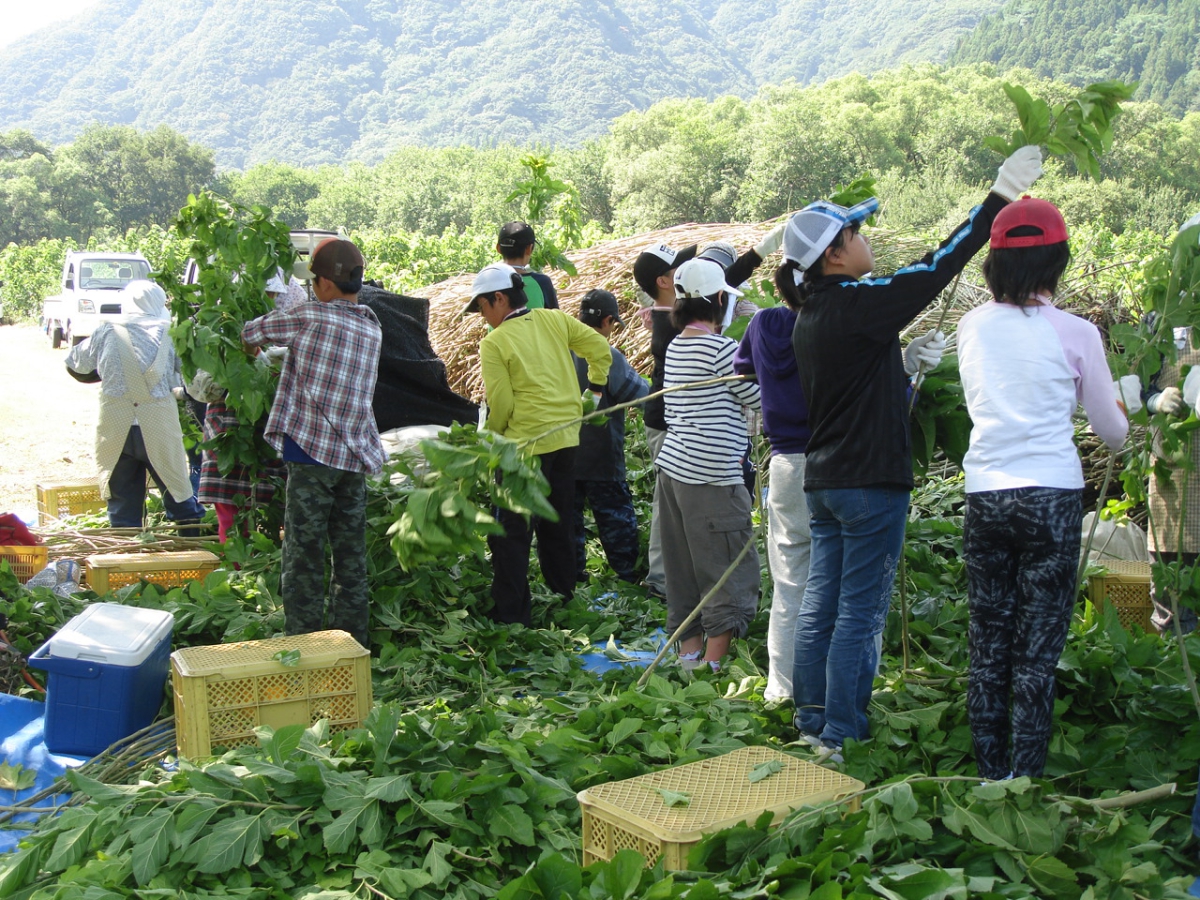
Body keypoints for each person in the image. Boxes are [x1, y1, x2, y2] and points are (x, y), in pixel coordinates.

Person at [785, 145, 1045, 757]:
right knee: (859, 612)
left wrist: (900, 369)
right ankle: (843, 732)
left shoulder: (812, 314)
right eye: (856, 232)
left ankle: (811, 716)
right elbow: (936, 268)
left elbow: (850, 391)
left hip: (825, 482)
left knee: (821, 600)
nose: (865, 240)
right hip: (871, 482)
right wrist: (998, 200)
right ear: (834, 254)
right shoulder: (860, 303)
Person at [957, 197, 1129, 780]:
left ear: (994, 265)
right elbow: (1114, 431)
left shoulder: (970, 327)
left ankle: (989, 774)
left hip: (985, 493)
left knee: (989, 639)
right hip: (1051, 497)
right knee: (1036, 649)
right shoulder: (1077, 333)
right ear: (1057, 262)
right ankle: (1023, 781)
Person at [241, 239, 384, 649]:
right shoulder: (370, 324)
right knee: (350, 555)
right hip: (354, 456)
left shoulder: (308, 316)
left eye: (314, 281)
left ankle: (303, 646)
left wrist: (251, 345)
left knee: (304, 555)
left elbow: (252, 330)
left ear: (324, 283)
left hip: (311, 454)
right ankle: (352, 645)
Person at [635, 227, 784, 598]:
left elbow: (717, 284)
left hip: (680, 432)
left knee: (679, 507)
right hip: (679, 432)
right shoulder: (687, 332)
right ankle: (668, 580)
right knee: (681, 512)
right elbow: (754, 395)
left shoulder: (676, 318)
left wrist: (758, 252)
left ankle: (679, 586)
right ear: (665, 281)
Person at [464, 262, 612, 626]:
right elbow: (600, 349)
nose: (484, 317)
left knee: (511, 534)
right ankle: (564, 599)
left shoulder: (495, 342)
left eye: (483, 307)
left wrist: (489, 441)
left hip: (523, 451)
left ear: (498, 298)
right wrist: (593, 391)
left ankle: (513, 616)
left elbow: (502, 406)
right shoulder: (554, 320)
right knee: (556, 523)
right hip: (565, 440)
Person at [656, 258, 762, 670]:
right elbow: (757, 401)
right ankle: (714, 663)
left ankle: (688, 653)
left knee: (683, 563)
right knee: (725, 562)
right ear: (720, 300)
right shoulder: (722, 350)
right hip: (712, 474)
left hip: (674, 469)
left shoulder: (675, 345)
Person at [66, 280, 204, 530]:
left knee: (122, 505)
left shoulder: (106, 330)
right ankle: (192, 550)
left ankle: (123, 558)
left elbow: (75, 364)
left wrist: (109, 372)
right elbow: (194, 380)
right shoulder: (170, 332)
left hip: (115, 427)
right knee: (178, 493)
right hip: (159, 426)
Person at [572, 289, 649, 584]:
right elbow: (640, 396)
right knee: (615, 518)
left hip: (563, 453)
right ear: (606, 321)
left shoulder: (560, 351)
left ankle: (571, 580)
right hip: (602, 454)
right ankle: (628, 577)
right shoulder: (606, 353)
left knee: (569, 522)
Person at [497, 221, 559, 310]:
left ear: (498, 248)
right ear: (529, 249)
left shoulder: (488, 281)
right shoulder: (542, 282)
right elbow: (555, 319)